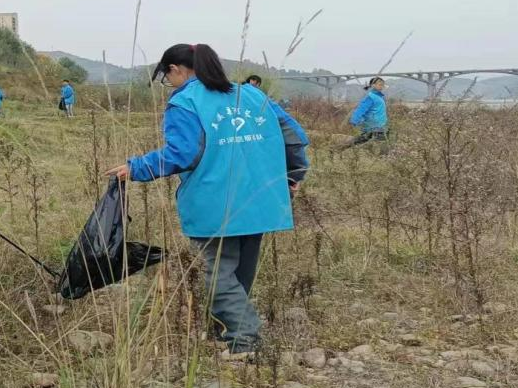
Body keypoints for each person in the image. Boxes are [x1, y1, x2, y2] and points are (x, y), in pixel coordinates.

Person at [108, 43, 309, 358]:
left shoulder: (185, 101)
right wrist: (294, 175)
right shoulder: (252, 95)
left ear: (175, 69)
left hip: (216, 201)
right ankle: (223, 329)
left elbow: (182, 153)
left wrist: (137, 167)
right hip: (260, 198)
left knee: (215, 272)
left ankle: (245, 339)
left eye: (167, 78)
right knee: (240, 270)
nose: (170, 84)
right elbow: (293, 137)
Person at [343, 77, 388, 148]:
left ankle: (341, 148)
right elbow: (361, 109)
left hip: (379, 125)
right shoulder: (370, 97)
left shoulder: (379, 97)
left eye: (382, 85)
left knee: (363, 140)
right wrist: (354, 120)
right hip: (372, 124)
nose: (381, 86)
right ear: (373, 85)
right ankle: (341, 147)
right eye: (379, 85)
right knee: (380, 144)